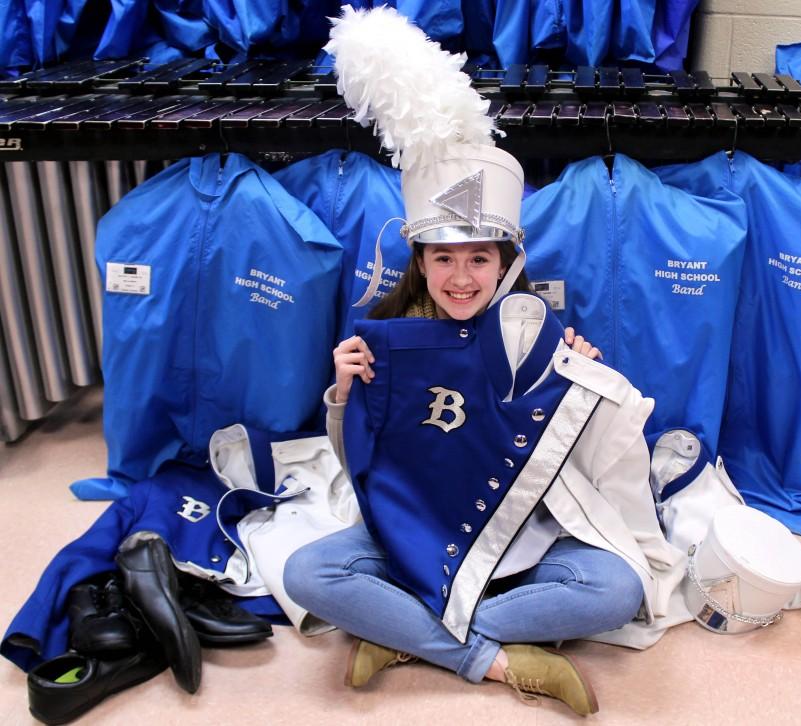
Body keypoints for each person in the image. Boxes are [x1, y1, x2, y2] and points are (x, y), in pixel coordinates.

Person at [282, 5, 683, 717]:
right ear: (422, 261)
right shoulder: (385, 336)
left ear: (505, 262)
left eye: (478, 258)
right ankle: (489, 658)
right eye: (444, 258)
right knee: (308, 572)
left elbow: (581, 459)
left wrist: (579, 380)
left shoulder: (536, 334)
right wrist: (341, 397)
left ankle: (406, 636)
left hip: (525, 530)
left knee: (616, 591)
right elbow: (361, 469)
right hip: (414, 530)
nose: (461, 277)